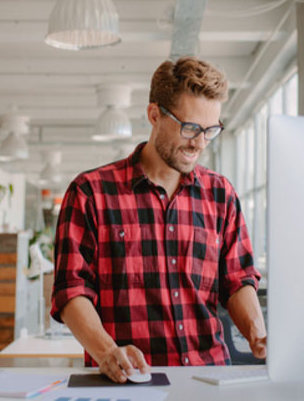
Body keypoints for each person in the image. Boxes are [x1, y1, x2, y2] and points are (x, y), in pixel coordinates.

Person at [51, 56, 266, 383]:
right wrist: (107, 351)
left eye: (211, 130)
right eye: (191, 127)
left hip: (209, 380)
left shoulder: (221, 195)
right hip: (129, 382)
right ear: (154, 115)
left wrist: (258, 334)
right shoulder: (90, 193)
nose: (199, 142)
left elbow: (237, 280)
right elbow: (71, 291)